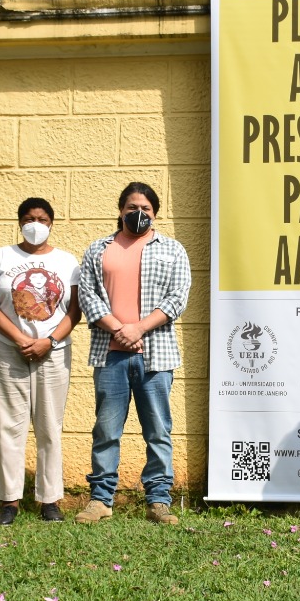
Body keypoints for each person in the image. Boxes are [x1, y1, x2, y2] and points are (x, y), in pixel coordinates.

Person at [76, 182, 191, 525]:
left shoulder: (172, 250)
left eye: (145, 209)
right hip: (110, 355)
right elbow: (89, 296)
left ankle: (158, 500)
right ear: (120, 209)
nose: (138, 214)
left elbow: (177, 297)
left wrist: (138, 328)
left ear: (155, 213)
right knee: (106, 430)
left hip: (156, 355)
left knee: (157, 430)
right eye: (131, 207)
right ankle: (100, 500)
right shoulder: (99, 249)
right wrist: (119, 330)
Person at [0, 198, 81, 525]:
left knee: (49, 425)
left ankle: (49, 499)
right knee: (10, 425)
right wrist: (20, 338)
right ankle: (9, 500)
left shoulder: (68, 262)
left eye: (41, 218)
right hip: (8, 349)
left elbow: (74, 310)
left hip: (53, 351)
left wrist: (48, 341)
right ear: (19, 222)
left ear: (51, 223)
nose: (34, 224)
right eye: (28, 218)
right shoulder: (2, 256)